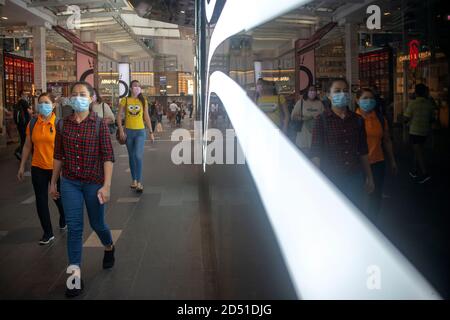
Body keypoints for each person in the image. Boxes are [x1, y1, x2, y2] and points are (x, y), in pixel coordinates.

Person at [49, 81, 115, 298]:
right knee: (75, 228)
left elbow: (107, 156)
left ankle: (108, 246)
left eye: (83, 94)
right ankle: (74, 277)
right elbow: (58, 155)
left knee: (98, 224)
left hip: (94, 183)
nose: (78, 97)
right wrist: (53, 182)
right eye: (74, 94)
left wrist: (106, 186)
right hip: (70, 183)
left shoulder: (99, 124)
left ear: (92, 98)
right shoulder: (62, 124)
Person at [310, 78, 375, 210]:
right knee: (334, 213)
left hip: (354, 176)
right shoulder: (321, 120)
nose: (342, 94)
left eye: (345, 91)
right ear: (328, 95)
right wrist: (316, 181)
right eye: (337, 91)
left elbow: (363, 150)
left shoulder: (357, 120)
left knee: (355, 211)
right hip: (331, 177)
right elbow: (316, 151)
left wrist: (369, 176)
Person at [17, 93, 66, 245]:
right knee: (41, 200)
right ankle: (48, 232)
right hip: (37, 167)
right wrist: (22, 165)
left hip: (55, 168)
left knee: (57, 197)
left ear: (53, 105)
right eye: (40, 103)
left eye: (46, 102)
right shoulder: (32, 124)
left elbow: (65, 149)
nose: (43, 105)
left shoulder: (59, 124)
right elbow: (27, 145)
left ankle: (64, 217)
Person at [355, 88, 398, 223]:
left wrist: (392, 161)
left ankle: (373, 223)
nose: (369, 101)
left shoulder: (380, 118)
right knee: (360, 195)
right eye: (365, 98)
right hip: (358, 165)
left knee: (375, 196)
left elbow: (386, 140)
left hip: (378, 162)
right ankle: (360, 223)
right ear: (357, 100)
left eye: (371, 98)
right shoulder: (353, 119)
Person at [117, 80, 154, 192]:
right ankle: (134, 180)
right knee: (132, 156)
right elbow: (118, 116)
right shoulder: (125, 100)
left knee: (138, 156)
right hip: (128, 132)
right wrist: (121, 130)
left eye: (138, 86)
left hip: (140, 132)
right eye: (135, 86)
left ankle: (139, 182)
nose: (137, 88)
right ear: (130, 88)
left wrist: (151, 132)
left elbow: (146, 117)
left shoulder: (143, 101)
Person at [404, 83, 438, 183]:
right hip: (424, 132)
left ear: (416, 92)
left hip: (414, 131)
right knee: (417, 151)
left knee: (418, 152)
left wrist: (404, 121)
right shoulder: (429, 104)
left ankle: (425, 173)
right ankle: (414, 171)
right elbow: (432, 119)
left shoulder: (412, 104)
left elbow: (406, 118)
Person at [291, 86, 324, 155]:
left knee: (315, 153)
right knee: (305, 154)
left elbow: (324, 116)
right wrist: (305, 118)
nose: (313, 92)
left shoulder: (320, 103)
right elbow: (293, 116)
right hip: (303, 133)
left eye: (314, 90)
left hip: (316, 132)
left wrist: (318, 118)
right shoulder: (301, 102)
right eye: (311, 90)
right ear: (307, 92)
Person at [13, 90, 33, 160]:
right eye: (25, 94)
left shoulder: (18, 102)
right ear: (21, 95)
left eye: (26, 94)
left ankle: (20, 152)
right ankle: (19, 151)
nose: (26, 95)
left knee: (23, 139)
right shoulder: (24, 102)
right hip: (25, 124)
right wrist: (33, 112)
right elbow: (29, 112)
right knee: (25, 139)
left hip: (20, 124)